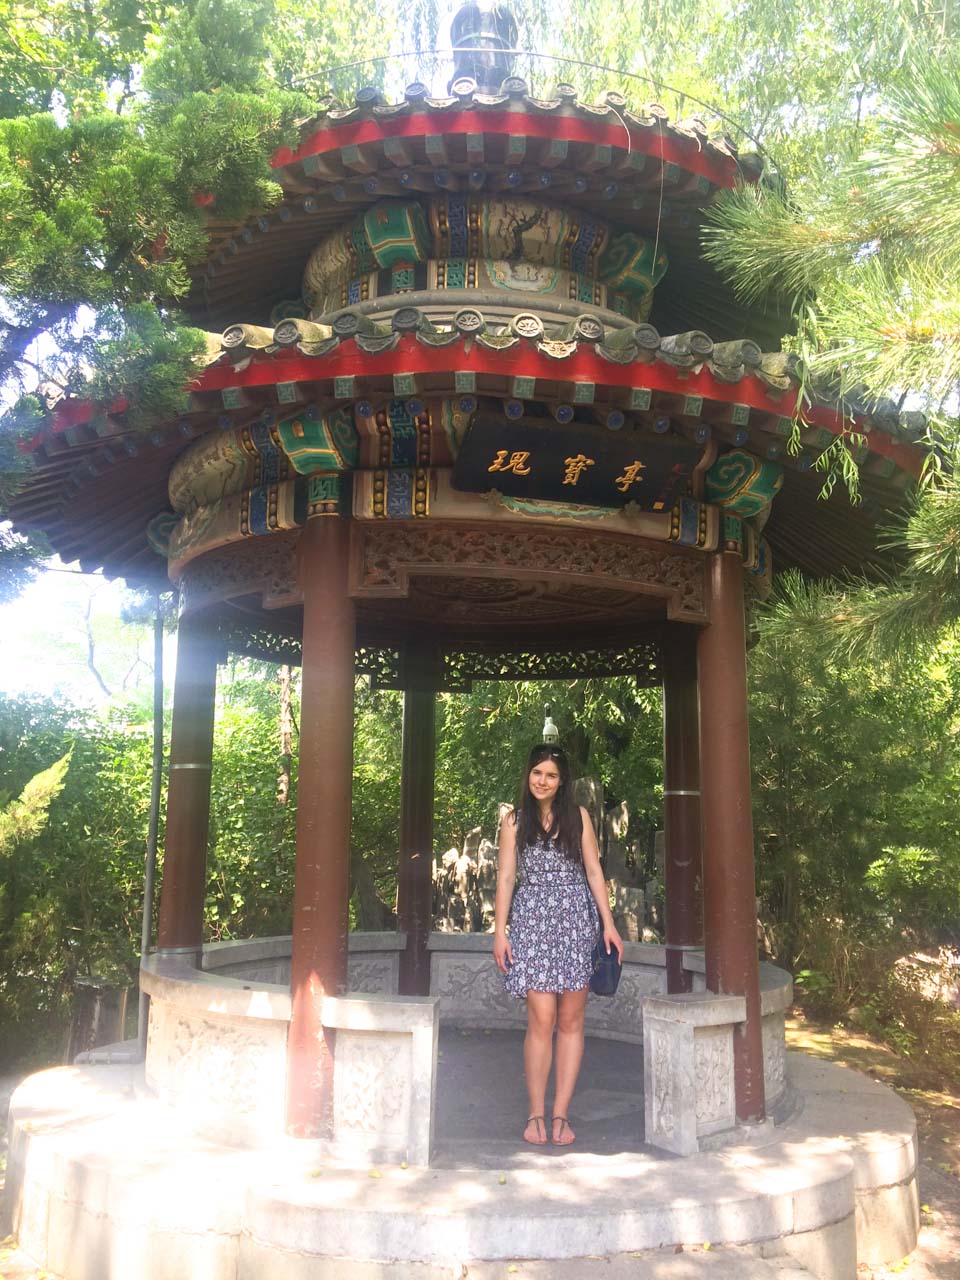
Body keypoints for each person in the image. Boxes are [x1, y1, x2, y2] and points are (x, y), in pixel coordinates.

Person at [493, 744, 624, 1146]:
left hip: (575, 922)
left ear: (562, 780)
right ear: (527, 775)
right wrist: (500, 930)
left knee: (570, 1021)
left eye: (550, 775)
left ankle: (560, 1115)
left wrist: (609, 923)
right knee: (542, 1018)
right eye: (536, 773)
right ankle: (535, 1112)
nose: (542, 781)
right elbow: (506, 878)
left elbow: (594, 871)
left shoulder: (578, 817)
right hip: (533, 923)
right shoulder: (514, 822)